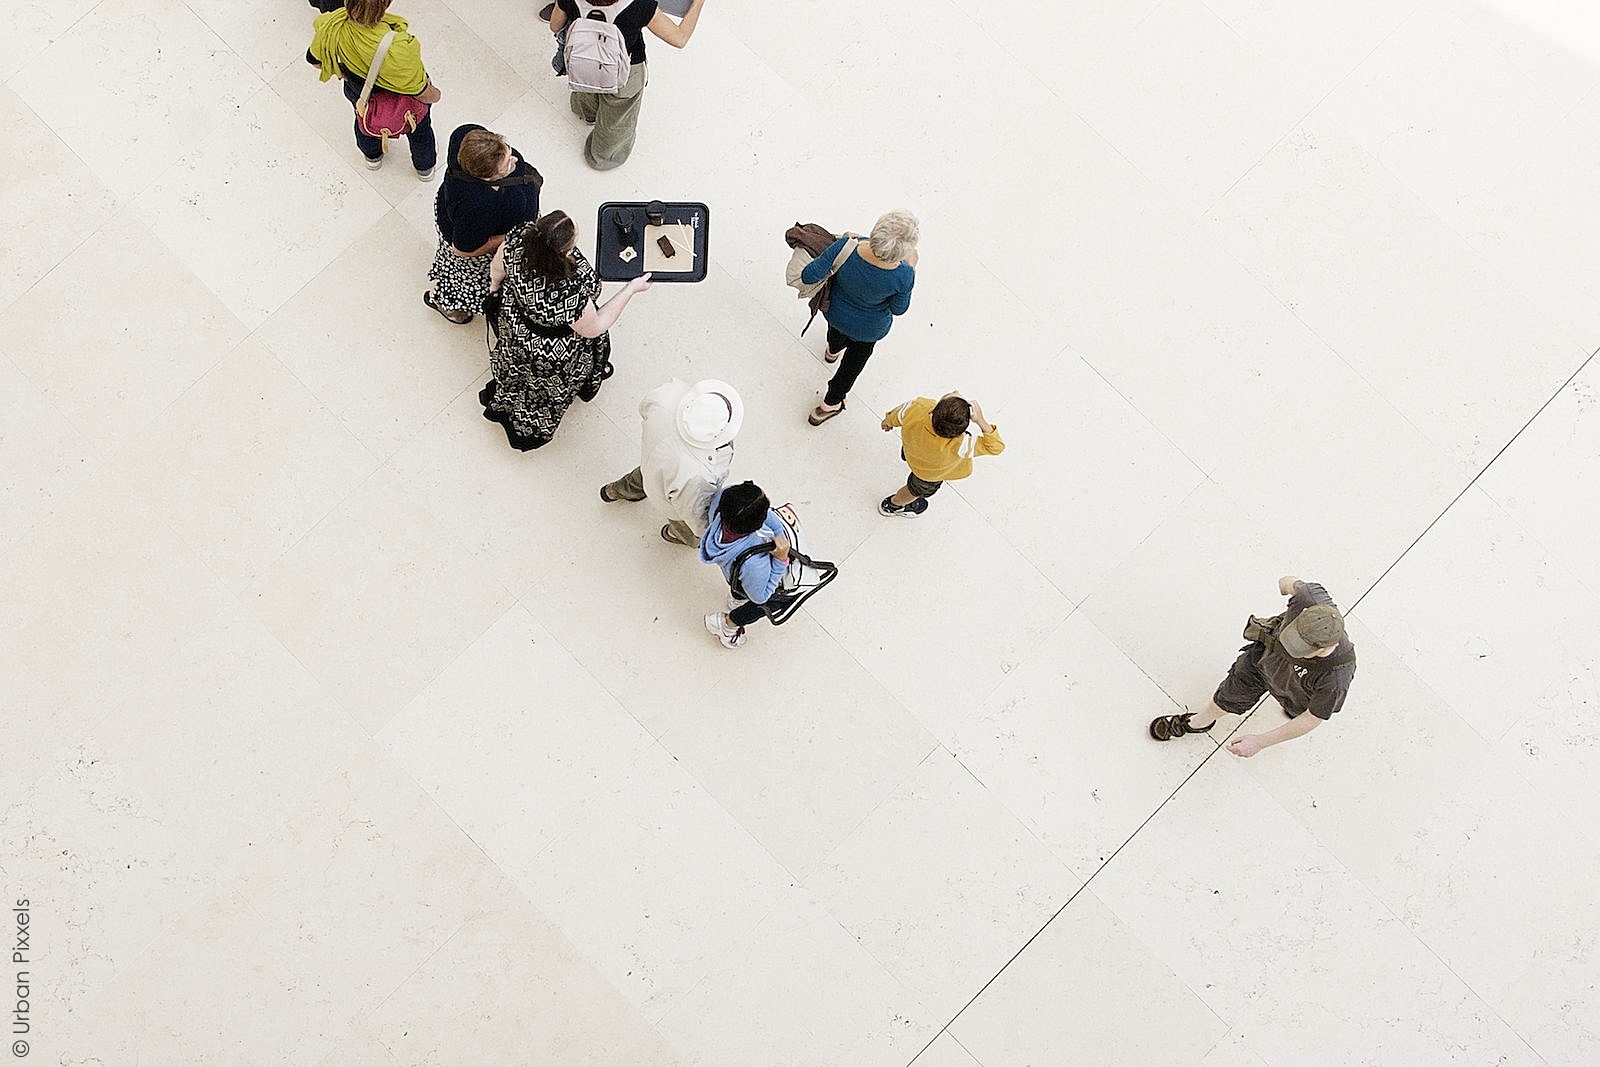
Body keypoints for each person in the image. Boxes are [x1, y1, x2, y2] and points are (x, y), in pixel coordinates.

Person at [480, 211, 651, 450]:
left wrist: (495, 288)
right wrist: (630, 290)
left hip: (516, 323)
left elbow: (497, 269)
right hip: (550, 349)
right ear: (565, 252)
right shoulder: (568, 291)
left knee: (514, 365)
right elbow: (595, 327)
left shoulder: (518, 239)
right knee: (543, 387)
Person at [1149, 576, 1358, 756]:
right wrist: (1286, 586)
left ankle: (1287, 706)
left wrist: (1260, 742)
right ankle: (1198, 722)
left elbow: (1311, 719)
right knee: (1227, 697)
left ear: (1328, 646)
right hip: (1261, 662)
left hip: (1297, 692)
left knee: (1295, 712)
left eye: (1302, 647)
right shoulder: (1309, 598)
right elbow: (1288, 582)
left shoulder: (1336, 680)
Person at [547, 0, 708, 170]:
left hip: (584, 61)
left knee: (587, 86)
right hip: (624, 72)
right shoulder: (641, 5)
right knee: (617, 119)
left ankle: (587, 112)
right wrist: (698, 2)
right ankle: (603, 158)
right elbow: (679, 38)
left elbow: (555, 26)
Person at [802, 210, 919, 426]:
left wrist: (843, 243)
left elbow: (808, 275)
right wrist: (910, 267)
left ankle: (832, 350)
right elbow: (898, 309)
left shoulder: (848, 247)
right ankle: (830, 404)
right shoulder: (904, 274)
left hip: (835, 312)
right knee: (853, 365)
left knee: (835, 333)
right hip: (869, 330)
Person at [425, 125, 543, 325]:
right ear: (488, 178)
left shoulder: (464, 136)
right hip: (473, 241)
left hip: (452, 211)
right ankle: (449, 305)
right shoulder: (477, 208)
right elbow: (462, 250)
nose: (514, 161)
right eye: (505, 166)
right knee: (468, 281)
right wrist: (509, 237)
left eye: (508, 150)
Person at [307, 0, 441, 176]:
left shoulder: (331, 25)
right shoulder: (401, 47)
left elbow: (314, 60)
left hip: (359, 91)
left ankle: (372, 158)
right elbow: (421, 91)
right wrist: (436, 95)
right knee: (420, 132)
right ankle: (425, 169)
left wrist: (344, 73)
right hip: (404, 102)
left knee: (364, 120)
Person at [601, 379, 743, 545]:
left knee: (645, 476)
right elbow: (694, 515)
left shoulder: (669, 394)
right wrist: (704, 534)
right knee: (686, 528)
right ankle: (673, 534)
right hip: (669, 493)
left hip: (651, 461)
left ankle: (616, 490)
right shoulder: (698, 475)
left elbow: (644, 407)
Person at [699, 481, 794, 649]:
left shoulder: (724, 500)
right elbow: (761, 597)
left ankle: (737, 598)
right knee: (780, 600)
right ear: (757, 525)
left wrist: (778, 533)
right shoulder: (755, 563)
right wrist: (781, 559)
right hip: (748, 574)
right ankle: (728, 625)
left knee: (740, 585)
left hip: (733, 570)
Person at [878, 391, 1004, 516]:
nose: (956, 391)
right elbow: (996, 447)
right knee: (913, 490)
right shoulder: (962, 444)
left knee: (913, 477)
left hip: (912, 451)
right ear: (961, 431)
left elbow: (895, 416)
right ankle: (894, 505)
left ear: (932, 410)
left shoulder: (917, 407)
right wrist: (981, 420)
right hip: (928, 475)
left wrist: (887, 422)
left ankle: (893, 504)